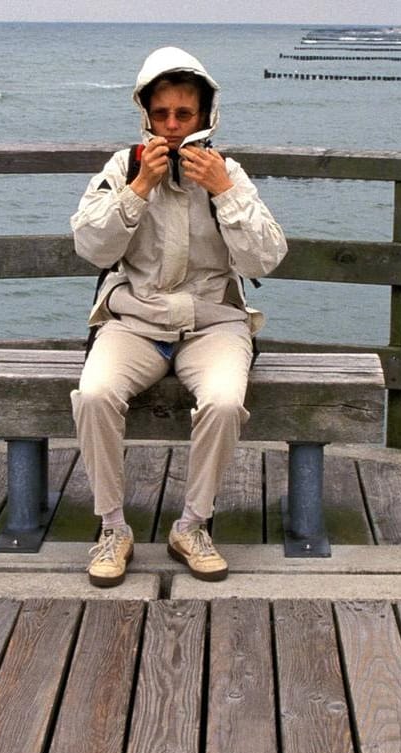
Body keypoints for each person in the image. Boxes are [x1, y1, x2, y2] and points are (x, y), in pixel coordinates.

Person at [69, 46, 288, 587]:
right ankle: (113, 527)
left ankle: (192, 525)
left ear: (205, 115)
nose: (171, 126)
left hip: (214, 323)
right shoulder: (123, 168)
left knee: (223, 401)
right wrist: (139, 188)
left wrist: (224, 191)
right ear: (145, 113)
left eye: (183, 114)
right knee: (94, 395)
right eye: (161, 113)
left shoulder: (228, 172)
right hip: (135, 321)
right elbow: (91, 247)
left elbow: (267, 258)